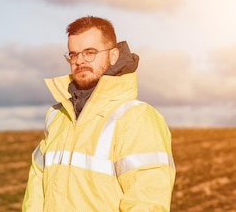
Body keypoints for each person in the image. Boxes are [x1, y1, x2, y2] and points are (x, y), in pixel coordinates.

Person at [22, 16, 176, 211]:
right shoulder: (56, 116)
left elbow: (147, 202)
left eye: (90, 52)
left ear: (113, 56)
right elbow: (36, 191)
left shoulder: (136, 117)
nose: (79, 61)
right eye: (73, 54)